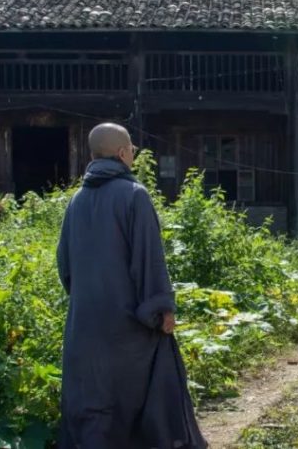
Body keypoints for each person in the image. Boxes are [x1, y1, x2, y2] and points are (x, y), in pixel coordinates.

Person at [56, 122, 207, 449]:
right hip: (127, 325)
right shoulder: (134, 195)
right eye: (133, 150)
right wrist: (160, 309)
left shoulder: (76, 201)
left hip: (84, 325)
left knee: (94, 404)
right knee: (142, 398)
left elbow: (65, 267)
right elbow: (148, 259)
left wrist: (89, 298)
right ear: (123, 153)